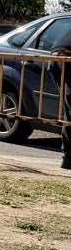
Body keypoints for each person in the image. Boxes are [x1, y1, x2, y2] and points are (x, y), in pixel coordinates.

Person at [50, 30, 71, 169]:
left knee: (69, 110)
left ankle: (67, 158)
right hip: (67, 59)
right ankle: (68, 158)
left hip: (56, 58)